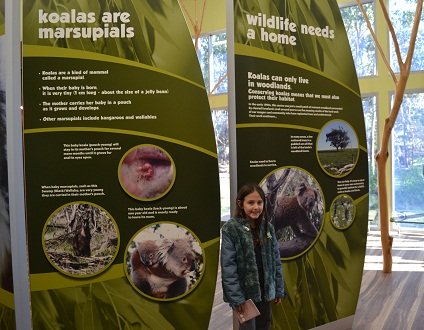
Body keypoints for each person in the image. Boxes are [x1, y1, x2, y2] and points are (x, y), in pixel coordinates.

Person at [221, 182, 285, 330]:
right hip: (245, 296)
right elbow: (228, 267)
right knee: (248, 328)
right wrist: (236, 298)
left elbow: (276, 260)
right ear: (240, 203)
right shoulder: (231, 229)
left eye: (259, 202)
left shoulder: (268, 228)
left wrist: (278, 289)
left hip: (266, 290)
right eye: (251, 202)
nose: (256, 207)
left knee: (265, 325)